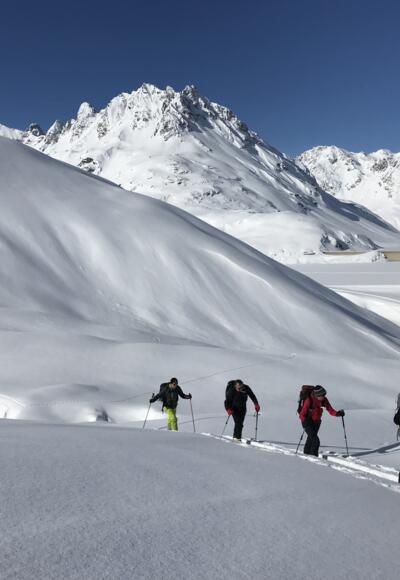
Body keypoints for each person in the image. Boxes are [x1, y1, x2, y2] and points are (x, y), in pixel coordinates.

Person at [299, 385, 344, 456]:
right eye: (322, 395)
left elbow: (330, 410)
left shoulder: (324, 400)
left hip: (317, 422)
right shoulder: (309, 400)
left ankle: (306, 455)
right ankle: (314, 457)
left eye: (324, 395)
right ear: (317, 395)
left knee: (310, 439)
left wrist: (338, 413)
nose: (324, 397)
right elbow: (301, 415)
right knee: (316, 441)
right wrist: (306, 422)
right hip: (307, 422)